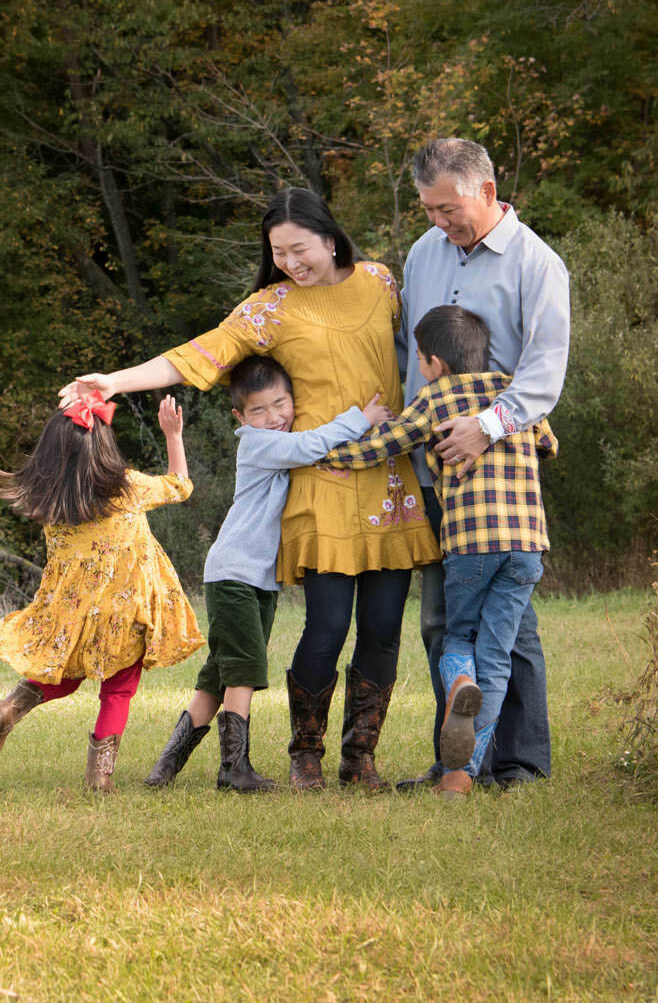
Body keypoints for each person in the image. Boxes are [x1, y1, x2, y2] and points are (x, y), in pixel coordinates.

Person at [62, 188, 436, 791]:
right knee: (326, 627)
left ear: (331, 237)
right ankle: (306, 754)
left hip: (390, 479)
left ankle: (359, 758)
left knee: (385, 627)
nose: (290, 261)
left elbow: (426, 350)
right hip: (322, 482)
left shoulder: (380, 282)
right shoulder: (269, 308)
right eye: (278, 252)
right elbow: (196, 357)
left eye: (300, 248)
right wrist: (115, 381)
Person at [320, 306, 558, 798]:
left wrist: (324, 452)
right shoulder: (514, 392)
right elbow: (549, 443)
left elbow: (382, 445)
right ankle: (460, 777)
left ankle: (458, 684)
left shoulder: (433, 398)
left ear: (433, 363)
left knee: (458, 638)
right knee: (498, 654)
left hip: (470, 547)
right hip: (527, 548)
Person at [397, 138, 570, 789]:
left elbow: (544, 371)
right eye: (430, 209)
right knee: (444, 620)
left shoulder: (537, 264)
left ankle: (516, 763)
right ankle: (460, 763)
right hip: (435, 469)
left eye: (449, 207)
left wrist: (487, 427)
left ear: (488, 192)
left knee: (509, 626)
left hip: (500, 469)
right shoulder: (422, 255)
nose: (440, 221)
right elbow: (408, 351)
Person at [141, 355, 387, 793]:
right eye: (259, 410)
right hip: (235, 574)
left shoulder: (273, 435)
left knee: (217, 677)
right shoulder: (257, 443)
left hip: (256, 580)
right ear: (240, 417)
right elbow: (312, 445)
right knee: (244, 670)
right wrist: (361, 418)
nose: (273, 417)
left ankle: (164, 770)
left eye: (280, 404)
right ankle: (234, 769)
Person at [0, 390, 205, 794]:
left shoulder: (48, 501)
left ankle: (10, 707)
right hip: (125, 614)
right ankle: (99, 778)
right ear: (105, 446)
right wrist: (173, 434)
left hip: (71, 615)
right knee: (117, 690)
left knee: (65, 675)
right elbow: (181, 485)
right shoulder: (129, 488)